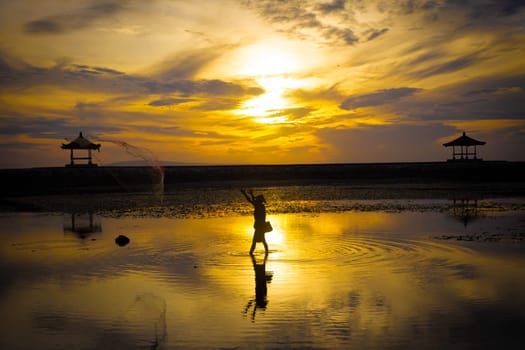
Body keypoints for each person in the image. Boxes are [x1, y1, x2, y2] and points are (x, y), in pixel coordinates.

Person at [241, 189, 269, 254]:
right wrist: (251, 194)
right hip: (261, 226)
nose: (256, 200)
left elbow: (251, 201)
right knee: (263, 240)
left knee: (255, 241)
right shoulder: (261, 206)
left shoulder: (258, 206)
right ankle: (266, 252)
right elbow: (253, 201)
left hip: (259, 227)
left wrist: (245, 194)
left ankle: (251, 253)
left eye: (257, 199)